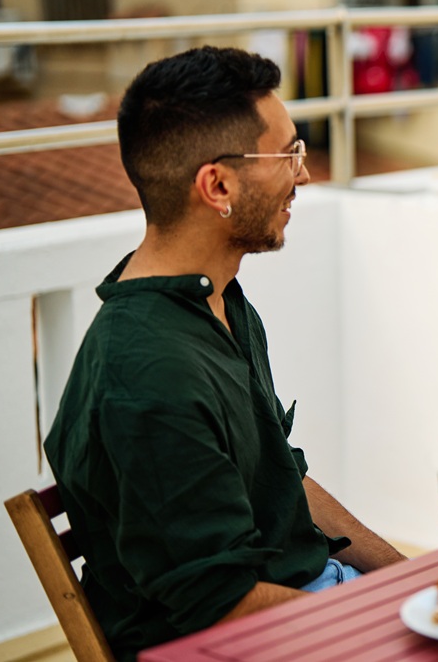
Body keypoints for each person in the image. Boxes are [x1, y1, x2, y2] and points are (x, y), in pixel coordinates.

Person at [44, 46, 405, 661]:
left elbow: (283, 479)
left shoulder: (218, 299)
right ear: (217, 185)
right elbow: (219, 606)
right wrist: (393, 614)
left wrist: (412, 580)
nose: (303, 174)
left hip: (312, 599)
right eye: (288, 154)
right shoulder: (145, 375)